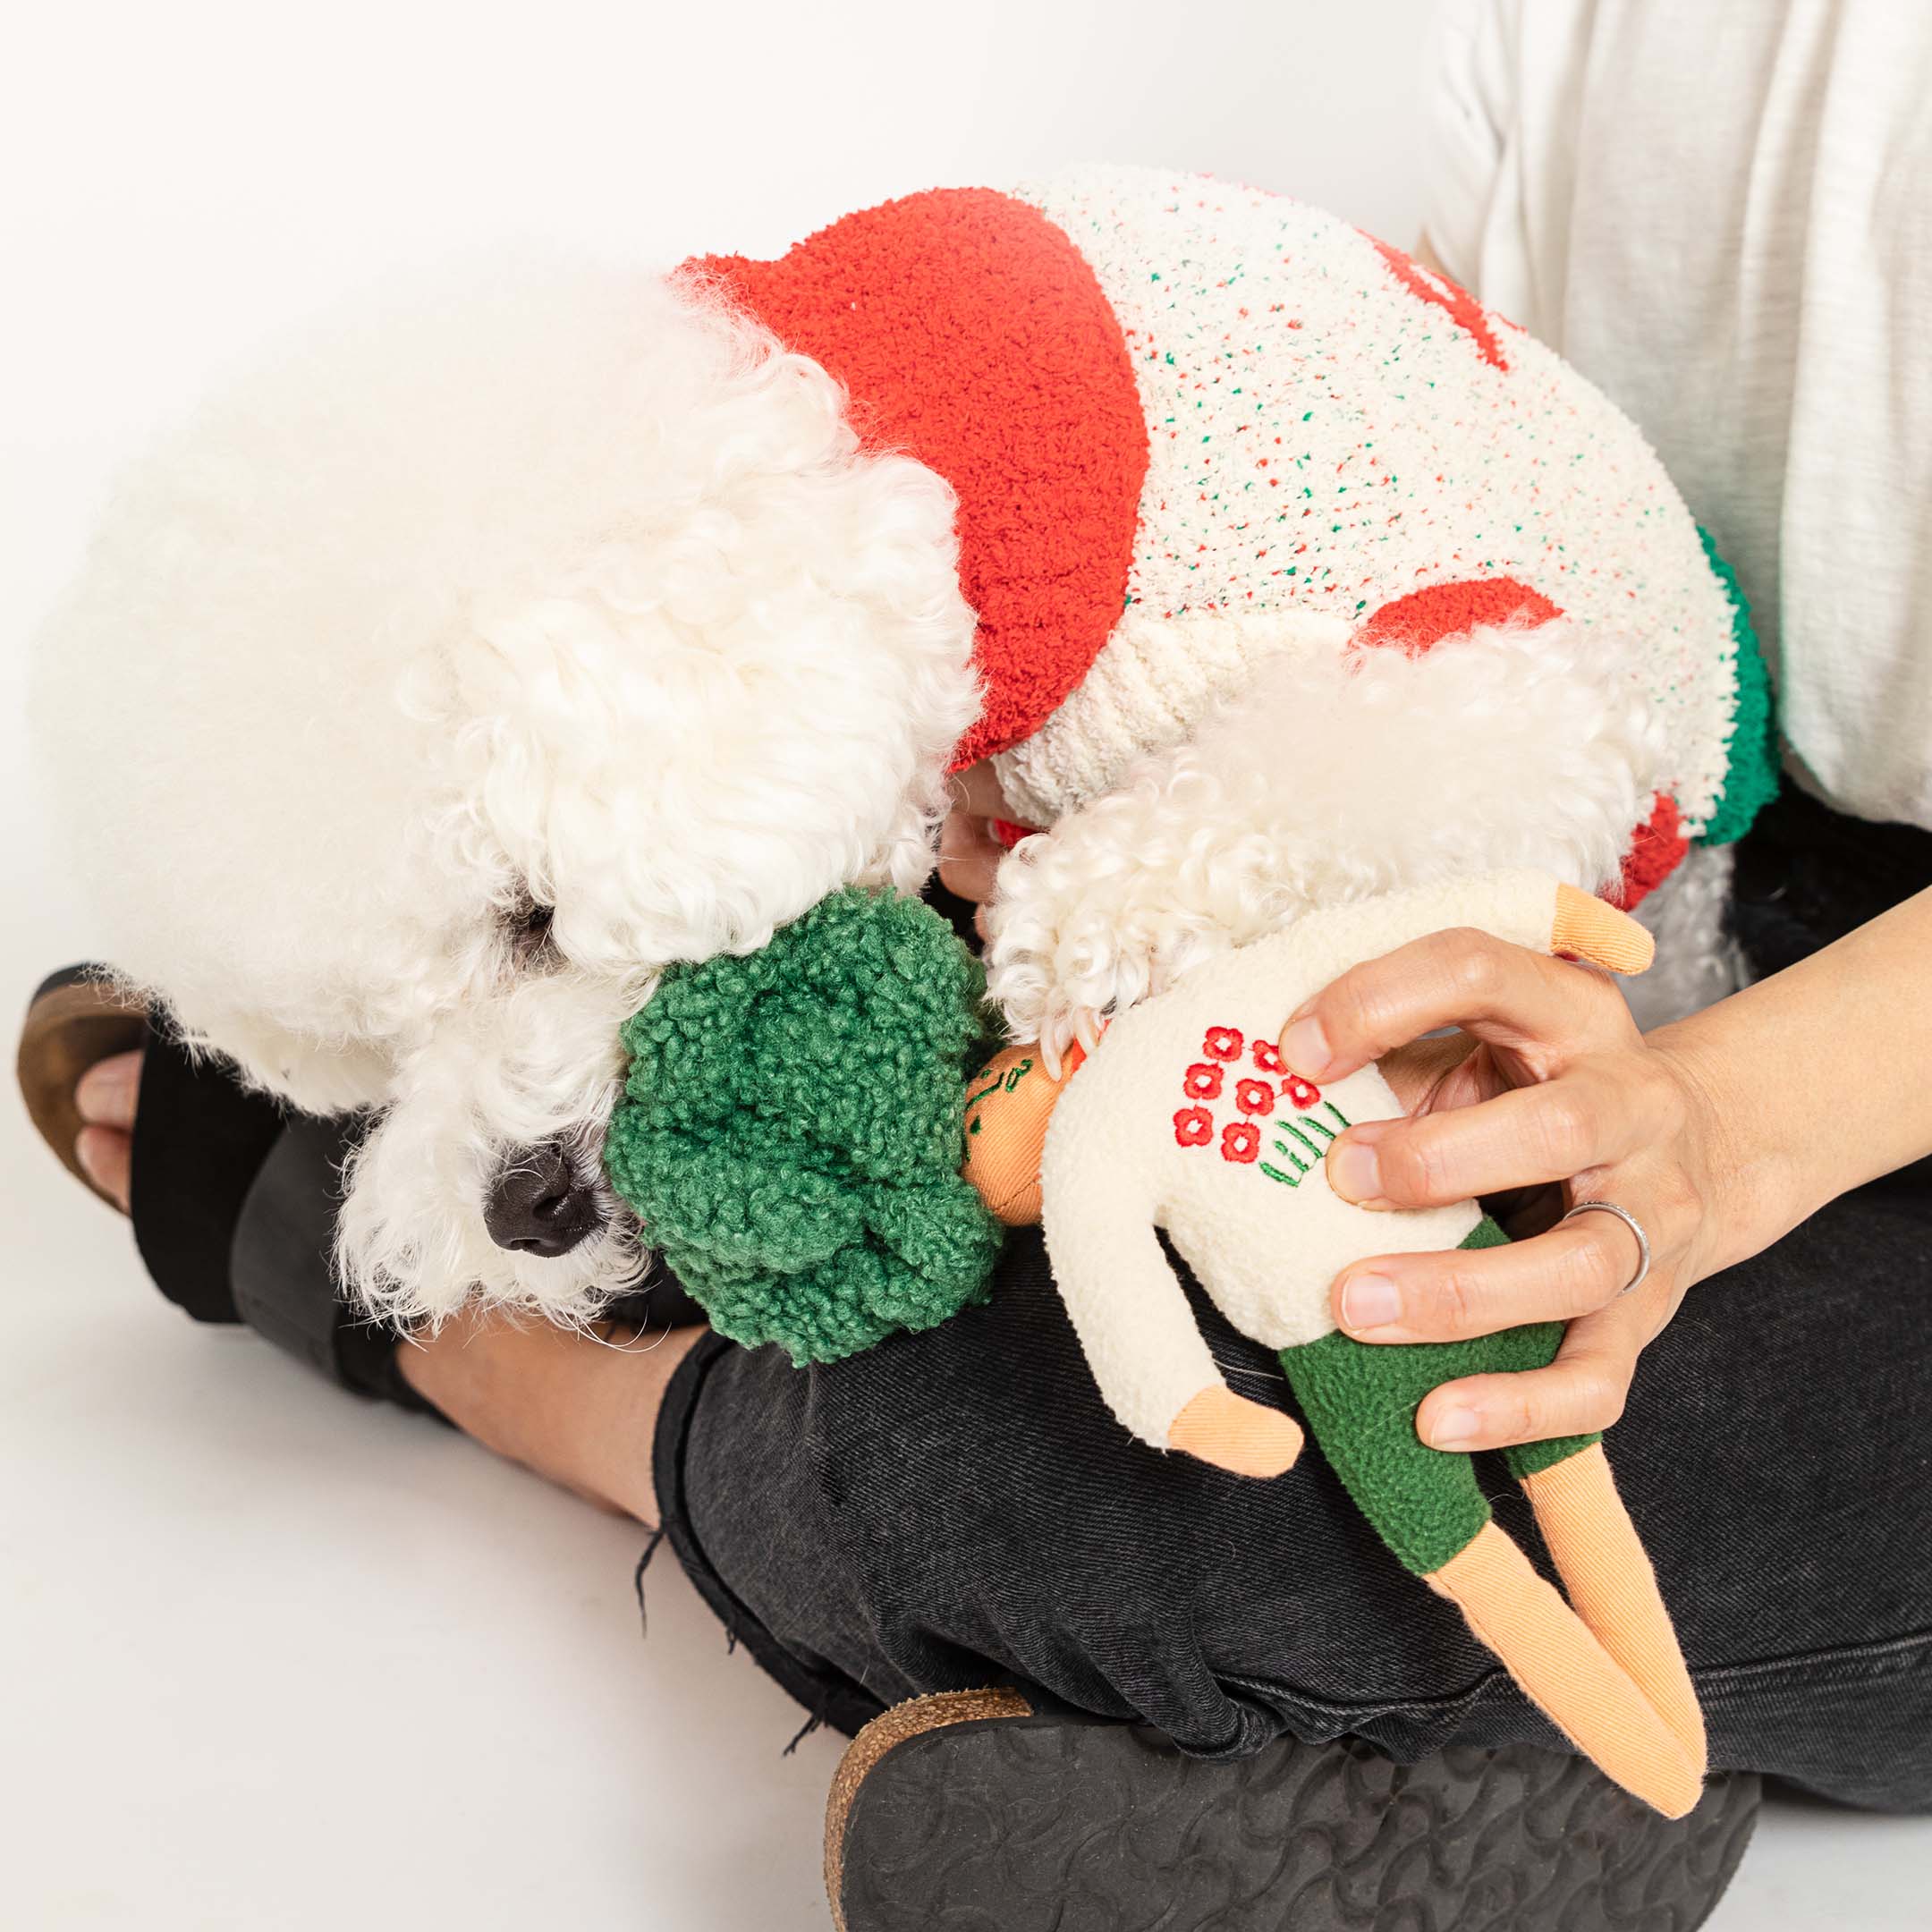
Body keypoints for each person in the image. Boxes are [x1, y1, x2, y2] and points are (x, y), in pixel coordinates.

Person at [21, 4, 1932, 1926]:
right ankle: (1215, 1707)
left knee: (1131, 1463)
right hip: (1588, 821)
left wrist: (1726, 1116)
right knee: (1117, 1232)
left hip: (1759, 975)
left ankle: (539, 1378)